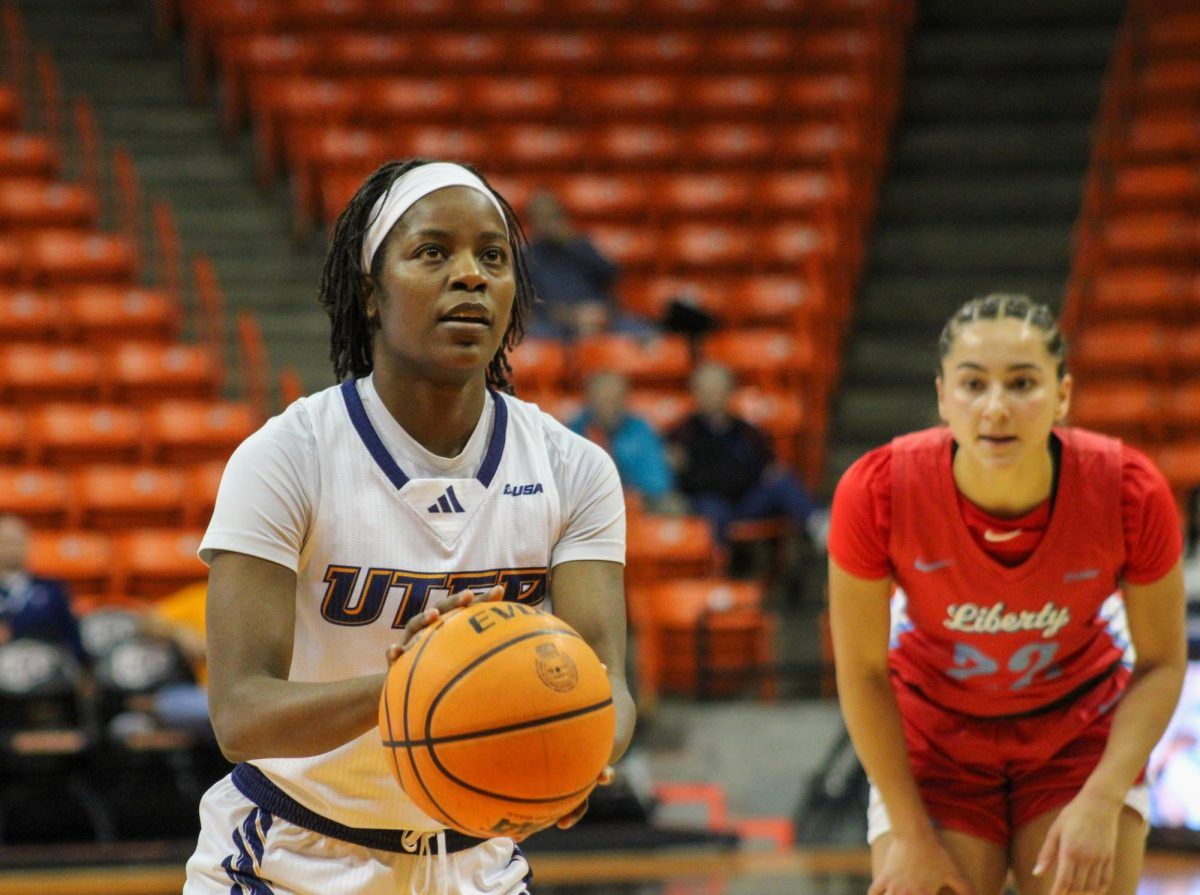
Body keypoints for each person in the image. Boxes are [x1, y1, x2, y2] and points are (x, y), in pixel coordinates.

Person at [183, 159, 636, 895]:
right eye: (433, 252)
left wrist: (584, 743)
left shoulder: (574, 467)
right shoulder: (286, 457)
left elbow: (607, 681)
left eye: (493, 256)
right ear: (370, 293)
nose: (471, 275)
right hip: (292, 856)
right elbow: (242, 713)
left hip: (479, 862)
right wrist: (416, 685)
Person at [826, 294, 1186, 895]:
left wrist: (1103, 797)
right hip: (935, 743)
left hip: (1079, 735)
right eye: (973, 385)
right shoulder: (878, 490)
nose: (996, 408)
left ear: (1062, 395)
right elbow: (862, 670)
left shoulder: (1129, 489)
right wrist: (912, 835)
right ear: (943, 397)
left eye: (1022, 383)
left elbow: (1161, 662)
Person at [667, 361, 825, 548]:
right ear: (695, 394)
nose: (712, 397)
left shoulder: (747, 431)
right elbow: (683, 480)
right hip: (711, 505)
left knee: (781, 480)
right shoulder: (682, 434)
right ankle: (717, 569)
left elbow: (767, 466)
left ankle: (820, 526)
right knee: (710, 508)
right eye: (706, 391)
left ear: (730, 392)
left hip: (746, 501)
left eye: (718, 390)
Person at [524, 189, 651, 340]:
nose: (549, 223)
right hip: (556, 324)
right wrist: (573, 316)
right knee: (537, 336)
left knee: (644, 333)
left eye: (553, 216)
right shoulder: (528, 258)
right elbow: (534, 304)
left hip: (599, 317)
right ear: (533, 223)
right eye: (542, 218)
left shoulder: (582, 245)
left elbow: (611, 274)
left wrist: (574, 244)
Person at [569, 370, 687, 515]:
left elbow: (658, 480)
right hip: (587, 505)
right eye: (603, 399)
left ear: (625, 400)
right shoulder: (571, 432)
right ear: (589, 400)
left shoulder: (640, 429)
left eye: (615, 398)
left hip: (639, 500)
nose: (609, 405)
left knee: (673, 506)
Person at [0, 514, 87, 666]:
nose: (11, 548)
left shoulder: (52, 589)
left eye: (17, 542)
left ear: (28, 545)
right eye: (5, 542)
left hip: (48, 673)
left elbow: (71, 635)